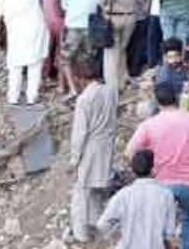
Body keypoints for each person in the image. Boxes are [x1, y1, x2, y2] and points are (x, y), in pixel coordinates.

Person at [125, 84, 189, 249]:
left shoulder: (149, 125)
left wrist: (144, 173)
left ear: (157, 102)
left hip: (161, 181)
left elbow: (129, 153)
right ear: (176, 97)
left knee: (158, 223)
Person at [68, 60, 118, 244]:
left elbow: (79, 133)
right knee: (97, 191)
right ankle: (98, 227)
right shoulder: (110, 92)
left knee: (82, 193)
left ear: (80, 78)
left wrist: (74, 159)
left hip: (90, 149)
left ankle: (81, 234)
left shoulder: (84, 100)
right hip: (107, 145)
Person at [97, 150, 177, 249]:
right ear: (153, 169)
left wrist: (120, 232)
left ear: (133, 170)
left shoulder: (123, 195)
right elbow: (169, 234)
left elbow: (102, 225)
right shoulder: (166, 195)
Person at [101, 0, 141, 93]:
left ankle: (111, 88)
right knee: (122, 50)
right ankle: (122, 81)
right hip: (130, 17)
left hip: (113, 17)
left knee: (111, 53)